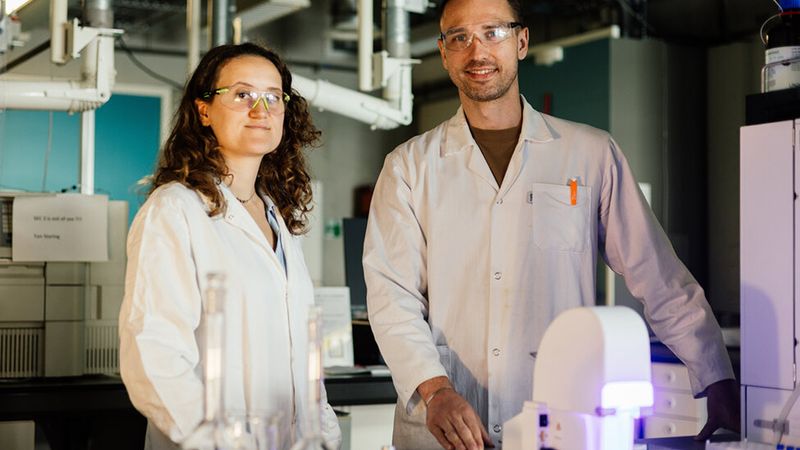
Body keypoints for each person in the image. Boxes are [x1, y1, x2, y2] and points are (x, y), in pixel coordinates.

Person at [363, 0, 739, 448]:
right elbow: (391, 296)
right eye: (460, 37)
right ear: (443, 53)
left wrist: (716, 376)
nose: (476, 51)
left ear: (521, 41)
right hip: (441, 423)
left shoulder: (589, 153)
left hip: (558, 420)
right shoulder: (409, 166)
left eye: (493, 32)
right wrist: (435, 388)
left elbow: (657, 274)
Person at [119, 43, 341, 450]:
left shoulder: (277, 215)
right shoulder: (175, 210)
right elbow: (155, 356)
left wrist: (324, 434)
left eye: (274, 97)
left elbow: (299, 351)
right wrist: (221, 442)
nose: (262, 110)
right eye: (242, 95)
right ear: (204, 109)